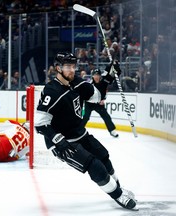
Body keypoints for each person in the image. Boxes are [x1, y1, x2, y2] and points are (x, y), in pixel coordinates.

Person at [34, 51, 138, 211]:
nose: (72, 70)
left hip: (78, 133)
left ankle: (118, 187)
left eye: (73, 66)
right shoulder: (51, 91)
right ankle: (118, 195)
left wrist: (108, 76)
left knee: (103, 156)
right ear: (58, 68)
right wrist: (57, 140)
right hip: (62, 142)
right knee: (94, 165)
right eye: (68, 66)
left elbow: (97, 96)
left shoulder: (76, 82)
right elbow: (40, 124)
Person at [80, 68, 120, 138]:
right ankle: (79, 131)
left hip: (98, 104)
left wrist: (103, 99)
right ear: (92, 76)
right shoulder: (89, 83)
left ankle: (112, 130)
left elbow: (105, 91)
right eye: (95, 75)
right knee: (85, 117)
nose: (96, 77)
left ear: (100, 76)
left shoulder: (103, 83)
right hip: (89, 104)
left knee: (106, 116)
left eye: (98, 75)